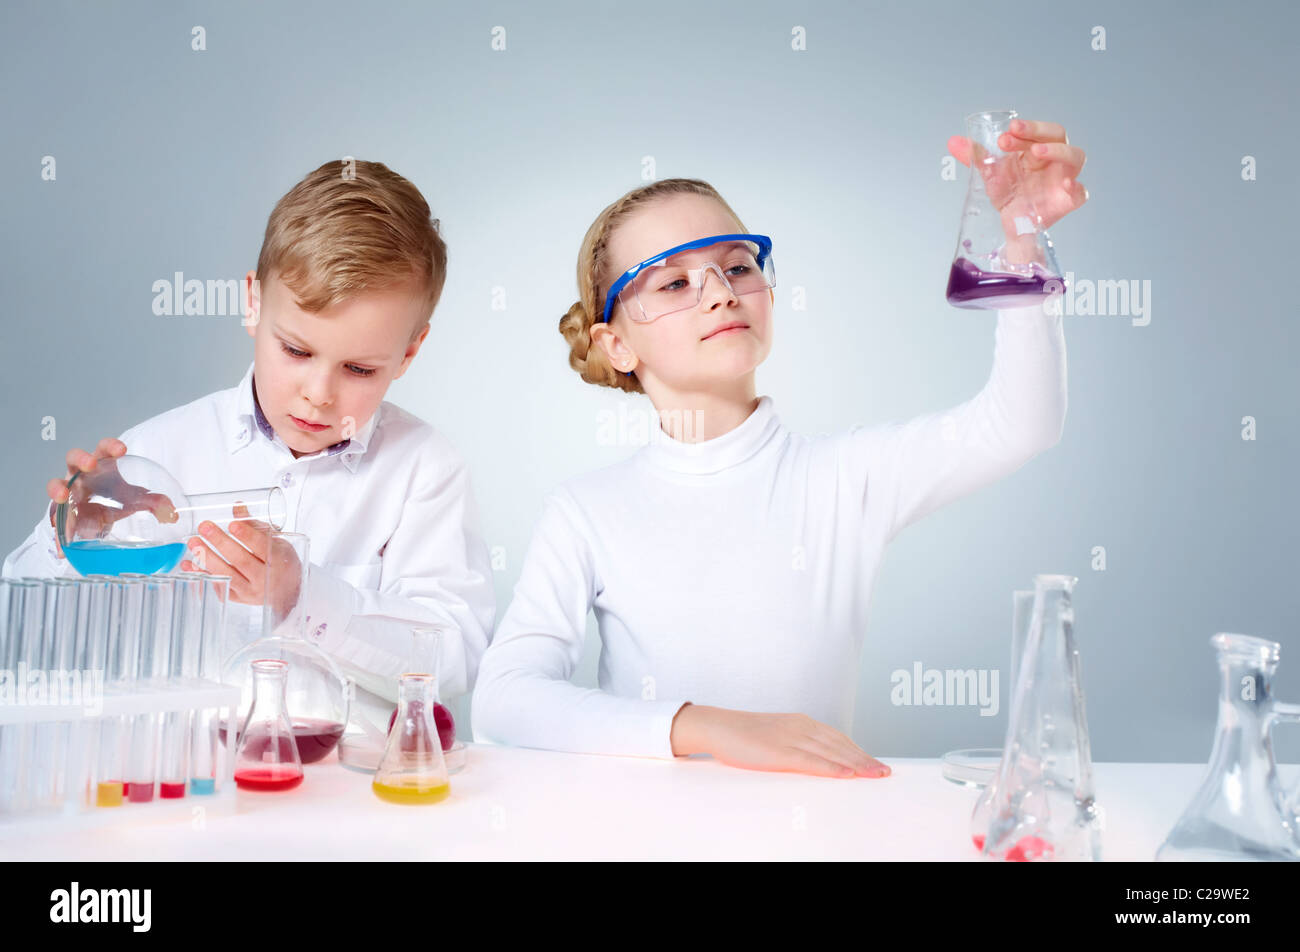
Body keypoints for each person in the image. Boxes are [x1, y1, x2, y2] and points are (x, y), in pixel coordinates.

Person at [472, 119, 1087, 777]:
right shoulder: (586, 511)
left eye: (737, 265)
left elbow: (1023, 421)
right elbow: (504, 700)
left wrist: (1022, 235)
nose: (720, 291)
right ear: (616, 344)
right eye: (674, 283)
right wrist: (704, 726)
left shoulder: (847, 478)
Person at [3, 159, 497, 730]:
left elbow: (453, 659)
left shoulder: (423, 469)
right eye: (296, 350)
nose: (318, 395)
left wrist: (303, 595)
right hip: (186, 784)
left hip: (351, 797)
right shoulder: (155, 458)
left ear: (409, 353)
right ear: (254, 304)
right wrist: (67, 536)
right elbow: (24, 626)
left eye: (359, 369)